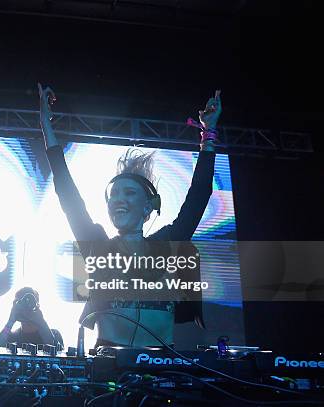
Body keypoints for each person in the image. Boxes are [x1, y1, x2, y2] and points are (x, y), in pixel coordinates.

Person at [38, 83, 221, 347]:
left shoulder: (168, 244)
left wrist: (209, 133)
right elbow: (68, 195)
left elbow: (199, 195)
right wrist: (46, 126)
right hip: (108, 368)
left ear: (149, 207)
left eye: (129, 193)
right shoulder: (98, 246)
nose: (118, 200)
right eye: (114, 194)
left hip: (161, 365)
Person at [0, 287, 64, 350]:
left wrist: (42, 322)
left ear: (37, 306)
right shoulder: (11, 337)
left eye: (30, 302)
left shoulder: (54, 334)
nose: (25, 307)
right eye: (19, 302)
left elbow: (59, 355)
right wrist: (10, 321)